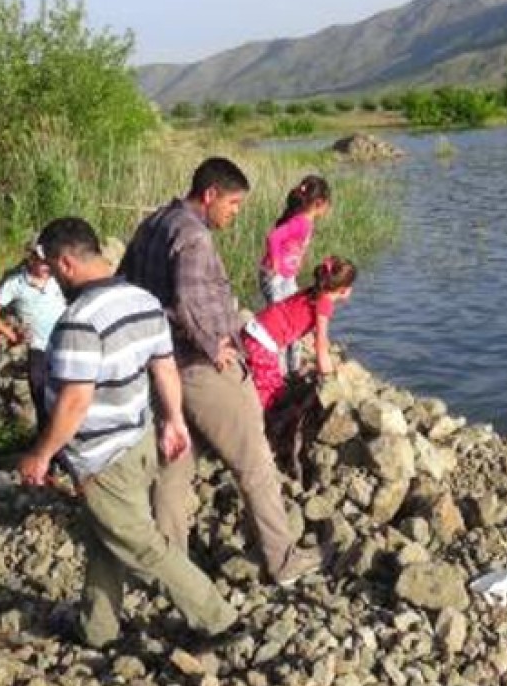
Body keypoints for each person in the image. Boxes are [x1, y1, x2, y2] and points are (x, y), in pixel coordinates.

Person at [18, 217, 238, 648]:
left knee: (141, 546)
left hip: (101, 458)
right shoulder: (143, 300)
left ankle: (219, 620)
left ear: (65, 263)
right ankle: (98, 628)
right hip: (137, 442)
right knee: (106, 537)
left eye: (48, 265)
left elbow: (74, 402)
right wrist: (173, 420)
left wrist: (41, 453)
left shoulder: (78, 321)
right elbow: (164, 367)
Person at [118, 157, 321, 586]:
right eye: (232, 203)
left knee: (175, 467)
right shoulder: (193, 236)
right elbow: (189, 302)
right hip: (200, 367)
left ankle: (168, 566)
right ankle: (282, 561)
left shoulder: (155, 223)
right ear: (209, 195)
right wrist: (216, 346)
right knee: (256, 464)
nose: (235, 212)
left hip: (162, 366)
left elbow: (126, 285)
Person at [244, 256, 356, 412]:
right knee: (269, 393)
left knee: (273, 384)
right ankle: (256, 426)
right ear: (344, 289)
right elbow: (321, 345)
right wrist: (328, 375)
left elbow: (315, 332)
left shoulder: (314, 292)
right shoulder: (325, 304)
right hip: (262, 342)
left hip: (255, 329)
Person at [0, 239, 67, 432]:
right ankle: (43, 436)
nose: (46, 266)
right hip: (38, 347)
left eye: (49, 261)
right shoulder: (15, 284)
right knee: (39, 390)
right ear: (31, 258)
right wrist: (10, 332)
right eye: (42, 261)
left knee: (66, 391)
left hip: (63, 344)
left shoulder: (58, 280)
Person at [258, 175, 331, 373]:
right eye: (328, 204)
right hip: (275, 277)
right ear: (319, 203)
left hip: (286, 277)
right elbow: (273, 237)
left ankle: (293, 370)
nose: (328, 209)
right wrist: (274, 261)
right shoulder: (301, 222)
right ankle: (280, 373)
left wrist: (295, 264)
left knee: (294, 320)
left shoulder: (306, 221)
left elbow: (293, 246)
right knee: (281, 324)